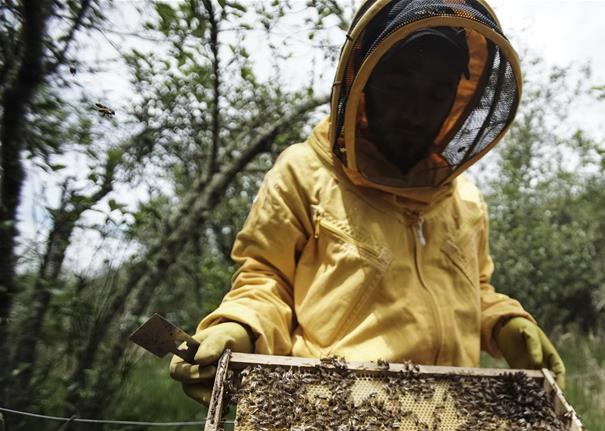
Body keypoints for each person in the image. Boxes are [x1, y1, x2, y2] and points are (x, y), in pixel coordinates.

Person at [170, 0, 565, 403]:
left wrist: (503, 321)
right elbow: (267, 281)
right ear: (365, 79)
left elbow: (474, 289)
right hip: (332, 412)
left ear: (458, 100)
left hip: (451, 414)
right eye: (400, 84)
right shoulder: (303, 172)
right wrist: (240, 326)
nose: (415, 111)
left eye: (436, 93)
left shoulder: (466, 200)